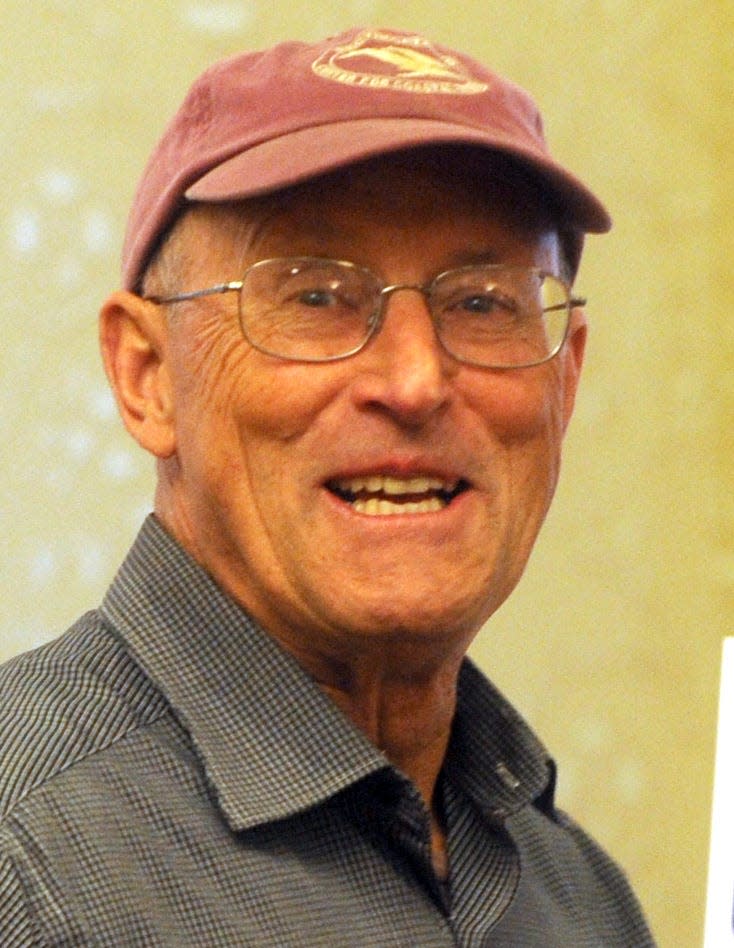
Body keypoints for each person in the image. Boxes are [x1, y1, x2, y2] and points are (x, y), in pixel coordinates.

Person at [0, 26, 655, 946]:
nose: (417, 380)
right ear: (147, 375)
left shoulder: (580, 899)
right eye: (314, 295)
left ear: (566, 381)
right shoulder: (25, 857)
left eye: (482, 302)